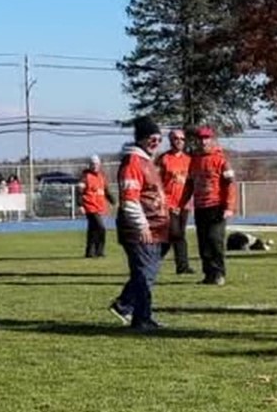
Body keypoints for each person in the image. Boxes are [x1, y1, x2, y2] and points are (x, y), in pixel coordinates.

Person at [109, 116, 170, 331]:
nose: (156, 142)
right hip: (143, 230)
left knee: (147, 274)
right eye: (151, 138)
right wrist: (141, 225)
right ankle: (140, 317)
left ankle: (130, 307)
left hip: (157, 228)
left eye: (158, 138)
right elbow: (130, 199)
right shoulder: (133, 163)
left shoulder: (146, 162)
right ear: (141, 139)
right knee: (145, 275)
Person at [189, 126, 238, 285]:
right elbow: (189, 185)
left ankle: (219, 273)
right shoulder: (194, 160)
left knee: (214, 239)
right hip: (200, 206)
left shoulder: (221, 160)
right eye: (201, 139)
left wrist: (229, 207)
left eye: (206, 138)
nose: (203, 141)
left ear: (211, 140)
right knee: (203, 242)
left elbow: (230, 184)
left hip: (216, 206)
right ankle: (208, 274)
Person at [158, 128, 195, 275]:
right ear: (170, 140)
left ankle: (151, 261)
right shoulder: (164, 159)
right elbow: (157, 184)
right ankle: (183, 266)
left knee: (171, 237)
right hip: (168, 204)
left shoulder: (189, 161)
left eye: (182, 139)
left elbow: (191, 184)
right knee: (177, 234)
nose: (179, 141)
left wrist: (184, 203)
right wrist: (165, 204)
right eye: (175, 138)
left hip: (184, 205)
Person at [79, 154, 113, 258]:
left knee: (93, 230)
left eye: (97, 164)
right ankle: (100, 251)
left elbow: (106, 191)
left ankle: (90, 252)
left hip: (99, 207)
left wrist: (113, 200)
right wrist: (80, 205)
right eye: (93, 164)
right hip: (90, 207)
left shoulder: (101, 176)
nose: (95, 166)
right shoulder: (85, 177)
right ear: (89, 165)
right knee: (101, 228)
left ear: (99, 165)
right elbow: (79, 191)